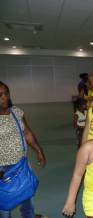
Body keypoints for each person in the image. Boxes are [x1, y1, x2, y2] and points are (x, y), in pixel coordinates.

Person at [0, 81, 46, 218]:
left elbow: (26, 132)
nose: (5, 97)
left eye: (6, 93)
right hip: (2, 169)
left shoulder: (16, 112)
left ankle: (29, 216)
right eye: (0, 95)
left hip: (22, 164)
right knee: (4, 204)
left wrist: (38, 150)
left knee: (27, 195)